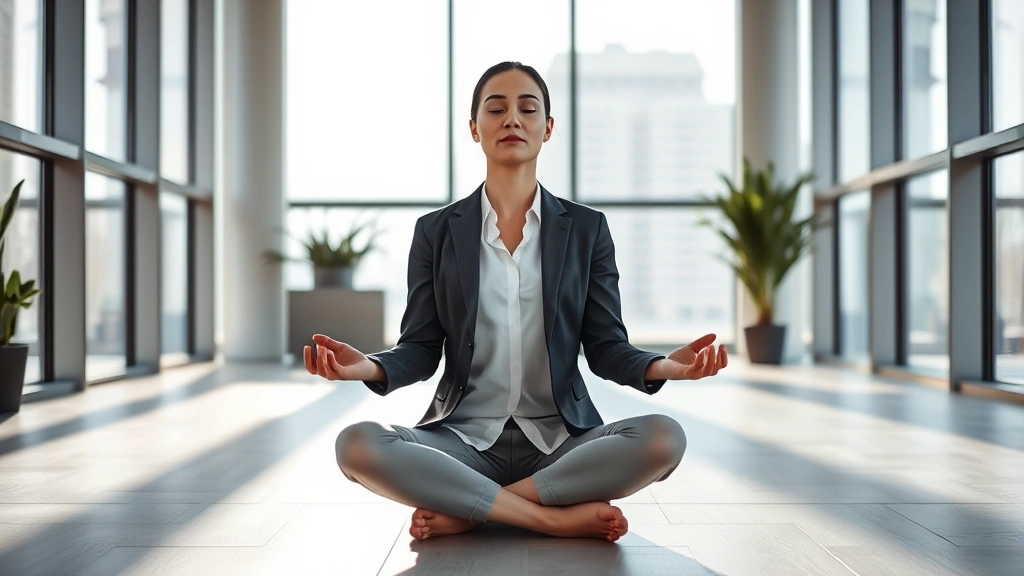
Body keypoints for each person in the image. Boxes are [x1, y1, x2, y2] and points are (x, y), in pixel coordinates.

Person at [304, 61, 728, 543]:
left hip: (563, 445)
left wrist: (665, 367)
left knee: (663, 438)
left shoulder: (587, 230)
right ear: (473, 128)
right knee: (356, 445)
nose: (512, 119)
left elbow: (606, 347)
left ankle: (473, 507)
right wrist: (368, 368)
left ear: (547, 129)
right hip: (460, 441)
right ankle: (549, 516)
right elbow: (421, 348)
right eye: (496, 108)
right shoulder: (436, 232)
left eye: (528, 108)